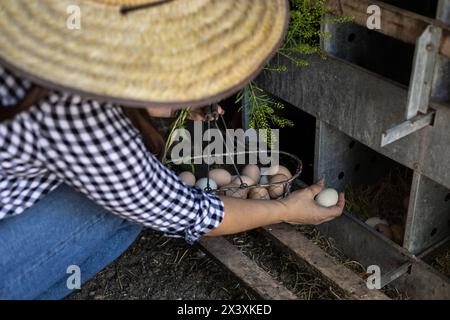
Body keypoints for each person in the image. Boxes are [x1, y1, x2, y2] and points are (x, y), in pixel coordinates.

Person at [0, 0, 345, 299]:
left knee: (132, 197)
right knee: (120, 209)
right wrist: (284, 209)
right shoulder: (81, 117)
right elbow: (186, 212)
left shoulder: (41, 49)